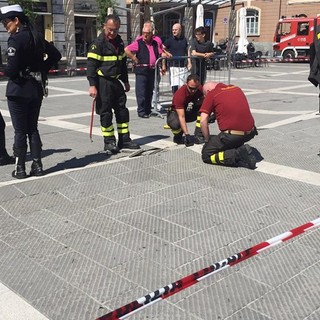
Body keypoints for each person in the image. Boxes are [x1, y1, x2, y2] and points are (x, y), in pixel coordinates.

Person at [0, 4, 61, 179]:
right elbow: (56, 55)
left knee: (20, 131)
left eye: (6, 22)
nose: (5, 26)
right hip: (35, 89)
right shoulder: (37, 36)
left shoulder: (15, 39)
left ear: (16, 20)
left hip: (18, 90)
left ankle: (20, 169)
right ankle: (37, 165)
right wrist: (42, 68)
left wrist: (7, 69)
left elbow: (11, 71)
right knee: (32, 128)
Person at [87, 14, 140, 153]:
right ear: (104, 26)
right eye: (110, 29)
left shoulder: (119, 42)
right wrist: (92, 85)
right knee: (106, 113)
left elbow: (122, 64)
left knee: (122, 111)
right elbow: (91, 66)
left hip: (116, 82)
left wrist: (126, 81)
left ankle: (124, 139)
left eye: (115, 30)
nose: (112, 33)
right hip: (103, 82)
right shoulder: (97, 44)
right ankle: (109, 142)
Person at [200, 82, 258, 169]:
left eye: (205, 95)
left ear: (207, 91)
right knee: (226, 144)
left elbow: (203, 121)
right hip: (251, 132)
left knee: (206, 154)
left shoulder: (212, 94)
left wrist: (207, 140)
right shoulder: (236, 88)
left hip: (232, 135)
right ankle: (239, 149)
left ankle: (238, 154)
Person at [125, 21, 164, 118]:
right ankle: (141, 111)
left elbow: (160, 52)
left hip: (151, 70)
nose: (145, 35)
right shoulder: (138, 42)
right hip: (141, 70)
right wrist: (133, 58)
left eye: (147, 33)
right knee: (141, 92)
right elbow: (126, 49)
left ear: (151, 33)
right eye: (144, 33)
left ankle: (148, 110)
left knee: (149, 91)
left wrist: (166, 57)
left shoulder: (155, 43)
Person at [167, 74, 205, 146]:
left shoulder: (200, 89)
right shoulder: (180, 94)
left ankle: (199, 135)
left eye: (195, 88)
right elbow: (181, 116)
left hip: (189, 110)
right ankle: (178, 135)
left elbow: (205, 101)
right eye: (191, 88)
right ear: (186, 84)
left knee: (204, 111)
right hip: (177, 113)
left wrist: (197, 102)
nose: (193, 91)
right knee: (175, 123)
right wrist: (187, 134)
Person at [163, 23, 191, 93]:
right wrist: (167, 53)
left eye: (175, 30)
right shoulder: (170, 40)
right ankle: (175, 100)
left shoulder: (184, 39)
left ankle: (182, 100)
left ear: (180, 30)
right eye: (173, 30)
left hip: (182, 66)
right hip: (173, 66)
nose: (174, 31)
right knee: (174, 85)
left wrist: (189, 62)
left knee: (183, 86)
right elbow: (162, 47)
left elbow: (187, 50)